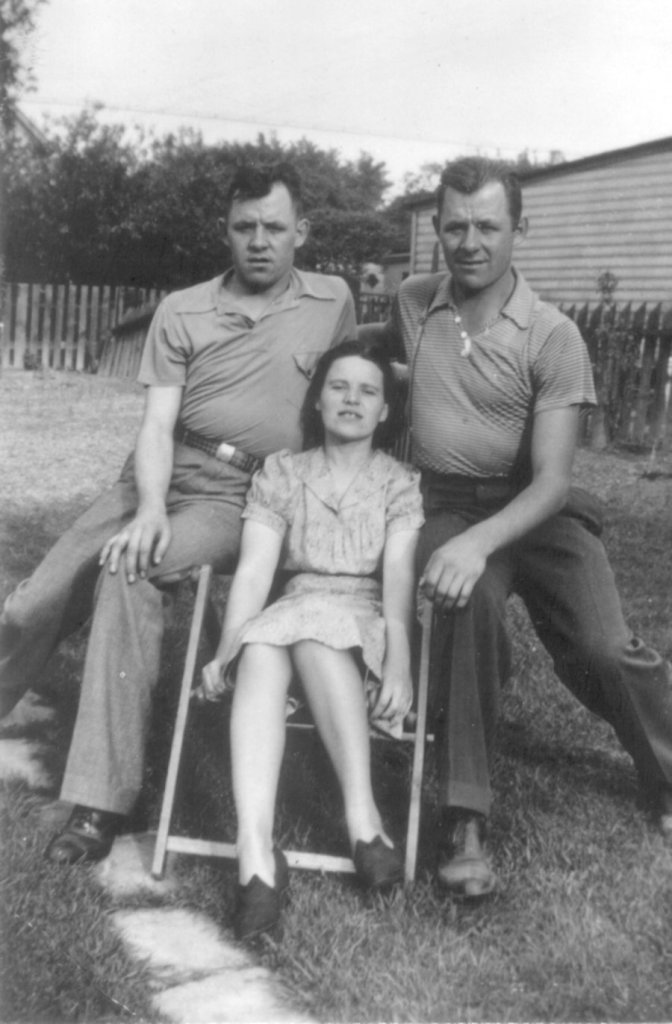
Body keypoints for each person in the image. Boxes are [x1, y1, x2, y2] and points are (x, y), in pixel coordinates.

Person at [0, 161, 358, 865]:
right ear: (226, 231)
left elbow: (361, 376)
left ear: (302, 231)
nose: (259, 241)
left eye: (274, 227)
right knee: (34, 602)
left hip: (243, 495)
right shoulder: (183, 309)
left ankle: (99, 802)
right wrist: (150, 506)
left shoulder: (332, 300)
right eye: (244, 227)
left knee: (130, 572)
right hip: (161, 470)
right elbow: (158, 425)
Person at [359, 156, 672, 898]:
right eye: (454, 227)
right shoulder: (414, 300)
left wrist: (479, 542)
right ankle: (465, 817)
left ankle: (664, 769)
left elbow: (554, 479)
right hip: (446, 502)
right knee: (463, 603)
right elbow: (381, 347)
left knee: (601, 645)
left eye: (487, 227)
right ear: (438, 229)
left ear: (518, 230)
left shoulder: (553, 334)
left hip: (536, 508)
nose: (469, 243)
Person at [197, 339, 423, 941]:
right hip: (292, 608)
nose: (351, 399)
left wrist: (399, 666)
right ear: (318, 400)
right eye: (338, 387)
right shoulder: (282, 474)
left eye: (368, 391)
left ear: (384, 411)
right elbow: (253, 573)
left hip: (362, 621)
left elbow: (399, 586)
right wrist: (225, 650)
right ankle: (255, 854)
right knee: (262, 644)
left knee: (312, 634)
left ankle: (362, 817)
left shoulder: (399, 483)